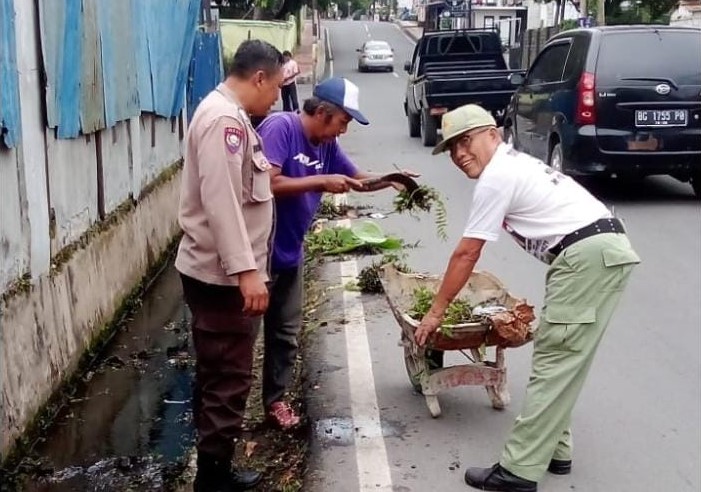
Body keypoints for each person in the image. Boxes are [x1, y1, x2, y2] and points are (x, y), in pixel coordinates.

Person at [414, 104, 640, 492]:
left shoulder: (497, 176)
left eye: (465, 141)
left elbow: (467, 252)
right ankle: (556, 449)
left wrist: (436, 313)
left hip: (586, 258)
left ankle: (518, 472)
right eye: (451, 148)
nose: (459, 154)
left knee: (556, 361)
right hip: (600, 252)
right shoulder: (511, 166)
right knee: (563, 359)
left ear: (492, 134)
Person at [256, 77, 412, 429]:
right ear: (324, 112)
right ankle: (226, 417)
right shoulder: (281, 128)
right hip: (256, 256)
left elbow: (357, 178)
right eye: (343, 122)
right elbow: (267, 182)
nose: (343, 131)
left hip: (289, 253)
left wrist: (393, 178)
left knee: (284, 333)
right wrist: (321, 182)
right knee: (243, 339)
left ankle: (274, 402)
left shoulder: (326, 146)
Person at [175, 39, 284, 492]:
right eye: (275, 87)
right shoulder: (224, 121)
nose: (277, 97)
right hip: (223, 278)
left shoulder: (225, 113)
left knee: (216, 372)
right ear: (258, 77)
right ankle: (214, 479)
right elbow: (222, 203)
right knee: (230, 377)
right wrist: (247, 273)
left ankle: (211, 468)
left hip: (214, 272)